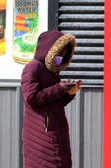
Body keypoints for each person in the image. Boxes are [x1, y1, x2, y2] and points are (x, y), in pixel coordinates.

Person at [21, 30, 82, 168]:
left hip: (55, 128)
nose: (60, 57)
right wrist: (60, 88)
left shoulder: (52, 72)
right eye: (59, 53)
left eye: (64, 55)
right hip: (41, 134)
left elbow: (53, 103)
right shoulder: (32, 68)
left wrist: (70, 93)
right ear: (49, 49)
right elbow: (31, 97)